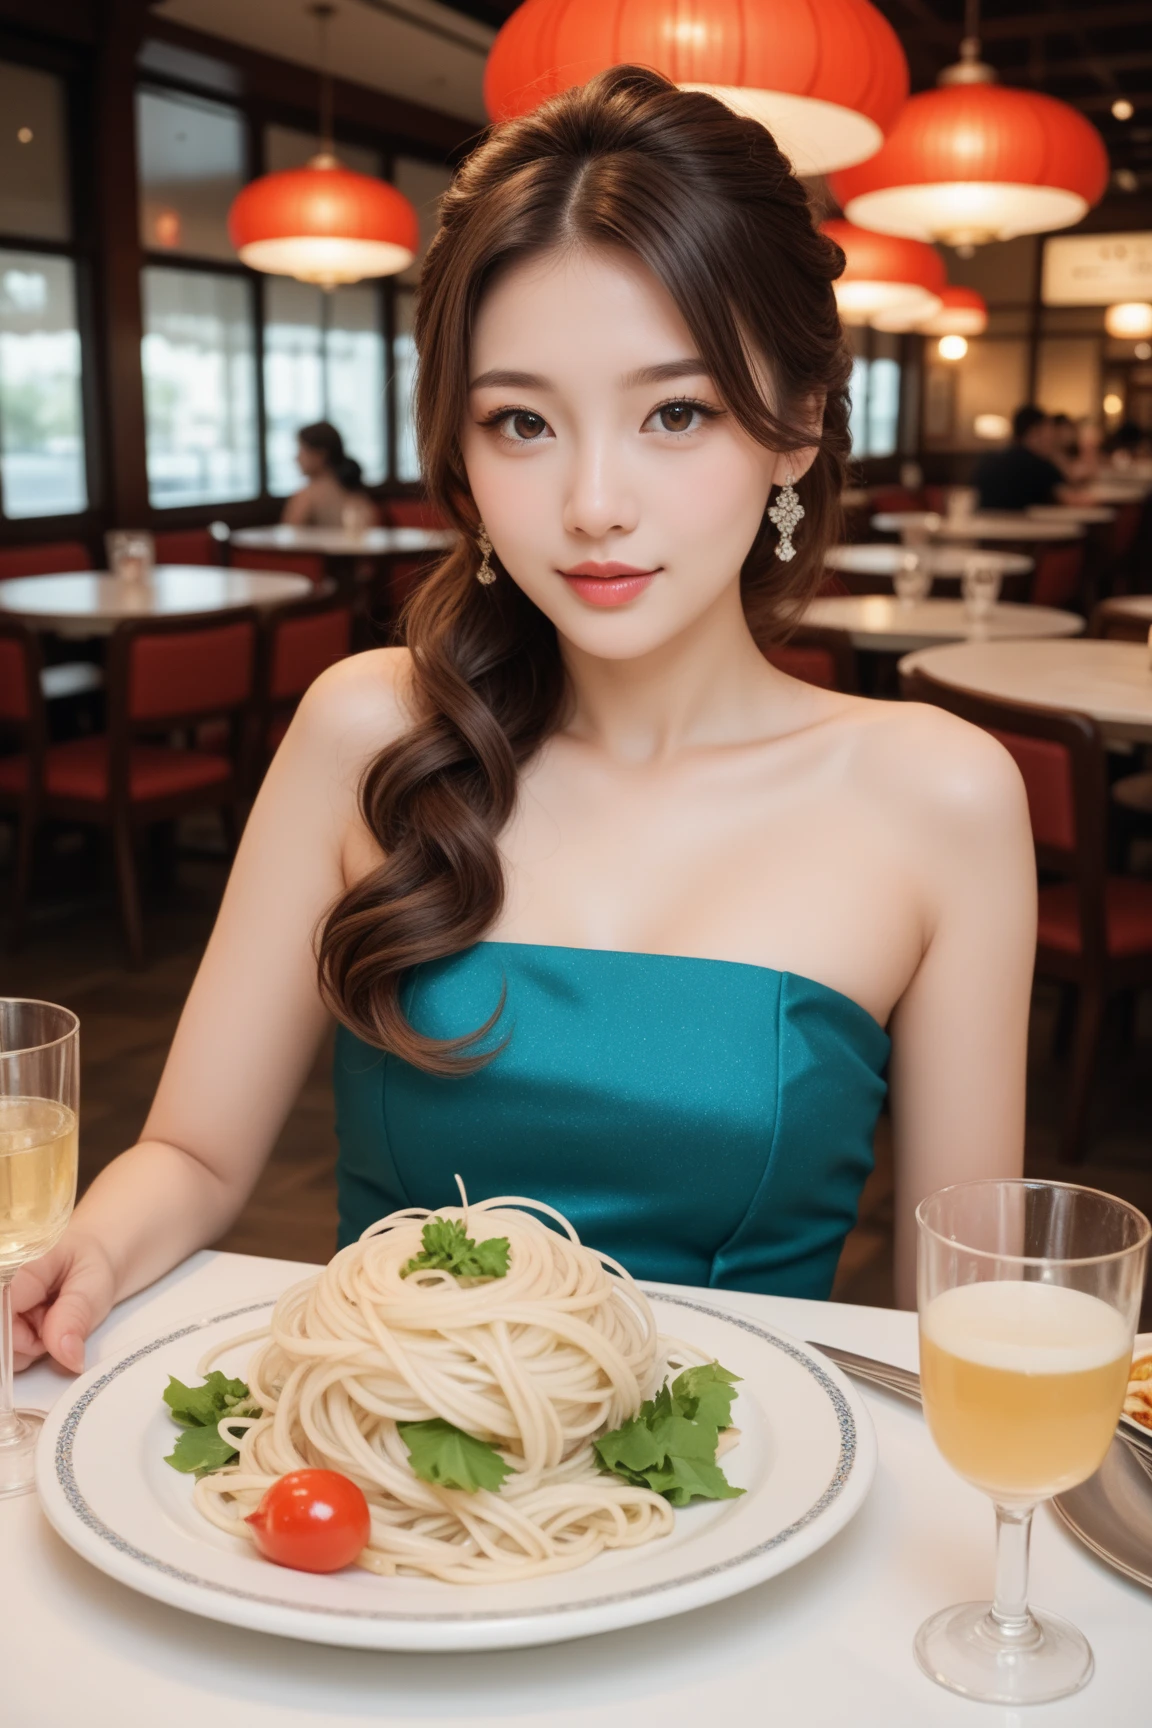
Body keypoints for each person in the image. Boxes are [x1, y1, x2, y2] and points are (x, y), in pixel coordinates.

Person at [14, 68, 1035, 1378]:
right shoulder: (365, 729)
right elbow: (197, 1156)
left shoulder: (938, 796)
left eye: (677, 411)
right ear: (461, 446)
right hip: (381, 1501)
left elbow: (963, 1315)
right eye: (522, 421)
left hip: (741, 1504)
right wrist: (89, 1252)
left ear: (796, 427)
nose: (593, 501)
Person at [973, 405, 1088, 510]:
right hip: (1024, 529)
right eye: (1049, 431)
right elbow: (1072, 500)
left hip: (985, 528)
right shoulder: (1038, 465)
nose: (1052, 437)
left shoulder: (989, 459)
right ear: (1035, 431)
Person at [282, 420, 378, 528]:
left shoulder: (308, 495)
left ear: (320, 454)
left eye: (301, 450)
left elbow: (290, 536)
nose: (296, 458)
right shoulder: (355, 489)